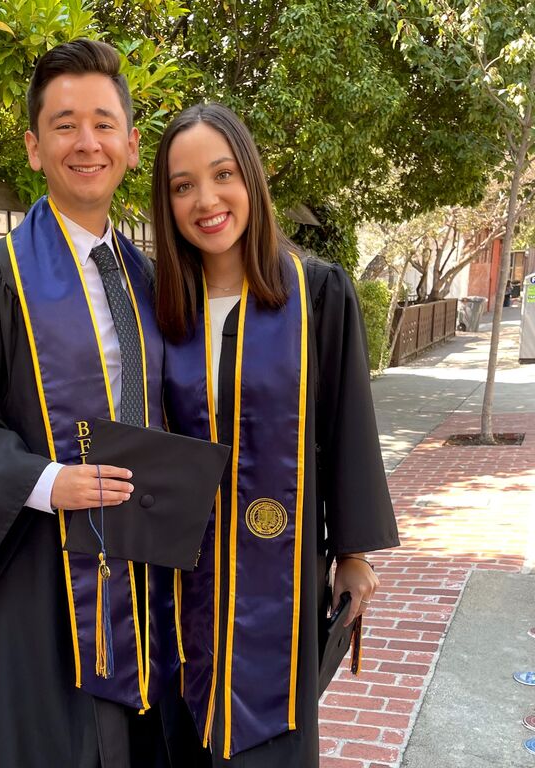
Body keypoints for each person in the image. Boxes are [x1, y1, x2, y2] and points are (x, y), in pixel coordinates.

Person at [0, 39, 180, 768]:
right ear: (34, 148)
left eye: (101, 123)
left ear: (129, 144)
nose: (85, 142)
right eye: (63, 125)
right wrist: (47, 482)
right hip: (39, 577)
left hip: (145, 569)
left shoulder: (152, 280)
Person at [151, 103, 400, 767]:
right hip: (180, 586)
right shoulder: (160, 305)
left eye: (222, 174)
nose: (206, 200)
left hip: (279, 578)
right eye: (182, 186)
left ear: (251, 179)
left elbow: (347, 425)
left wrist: (353, 553)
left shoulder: (316, 293)